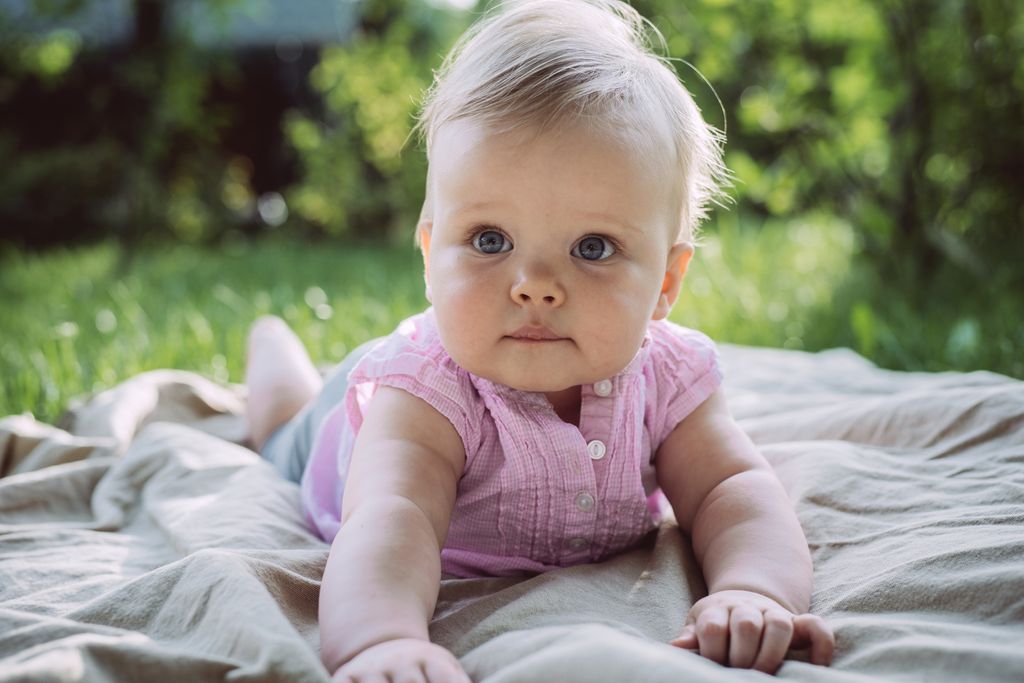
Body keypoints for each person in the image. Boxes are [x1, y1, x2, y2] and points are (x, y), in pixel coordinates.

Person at [245, 1, 835, 680]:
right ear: (431, 254)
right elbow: (391, 520)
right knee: (278, 428)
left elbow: (734, 488)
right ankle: (271, 349)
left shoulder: (668, 377)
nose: (535, 285)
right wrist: (379, 640)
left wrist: (753, 591)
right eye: (490, 240)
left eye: (593, 247)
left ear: (667, 280)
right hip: (333, 440)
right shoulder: (426, 395)